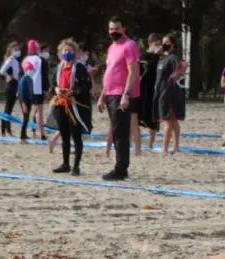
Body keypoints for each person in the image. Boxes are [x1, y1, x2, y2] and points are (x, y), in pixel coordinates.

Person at [98, 16, 140, 181]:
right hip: (110, 94)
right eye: (111, 29)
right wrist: (102, 96)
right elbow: (109, 72)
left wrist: (126, 94)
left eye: (116, 28)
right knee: (116, 131)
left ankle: (121, 168)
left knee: (121, 132)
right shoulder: (112, 47)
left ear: (124, 28)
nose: (113, 32)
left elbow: (133, 72)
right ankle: (120, 165)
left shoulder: (129, 46)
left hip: (121, 94)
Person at [50, 39, 92, 176]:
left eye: (70, 50)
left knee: (76, 136)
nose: (67, 53)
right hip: (61, 104)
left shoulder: (79, 67)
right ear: (60, 53)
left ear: (75, 52)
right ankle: (65, 164)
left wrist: (73, 92)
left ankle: (76, 166)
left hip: (75, 106)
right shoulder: (59, 67)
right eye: (65, 51)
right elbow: (51, 85)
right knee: (64, 135)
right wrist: (56, 89)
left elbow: (87, 86)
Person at [154, 35, 187, 154]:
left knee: (167, 121)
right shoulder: (162, 58)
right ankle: (176, 147)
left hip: (168, 92)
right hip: (161, 90)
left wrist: (177, 75)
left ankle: (164, 148)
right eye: (163, 42)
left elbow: (183, 65)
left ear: (172, 45)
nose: (164, 44)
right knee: (172, 121)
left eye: (166, 42)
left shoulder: (173, 57)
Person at [139, 33, 163, 152]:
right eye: (156, 44)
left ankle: (150, 144)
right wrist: (154, 56)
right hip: (144, 90)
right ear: (150, 43)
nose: (158, 47)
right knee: (139, 116)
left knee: (154, 118)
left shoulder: (161, 57)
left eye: (160, 45)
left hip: (155, 90)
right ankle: (134, 142)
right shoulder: (144, 55)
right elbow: (146, 70)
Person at [22, 40, 46, 140]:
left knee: (26, 110)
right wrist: (46, 89)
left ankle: (23, 132)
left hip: (25, 86)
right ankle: (42, 134)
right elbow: (44, 76)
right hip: (37, 88)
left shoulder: (25, 60)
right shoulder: (40, 60)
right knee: (39, 111)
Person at [0, 42, 22, 136]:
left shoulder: (16, 61)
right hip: (11, 84)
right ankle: (5, 130)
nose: (17, 51)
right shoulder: (10, 59)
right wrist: (9, 74)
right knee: (8, 108)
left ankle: (6, 130)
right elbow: (2, 71)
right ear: (11, 51)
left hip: (15, 84)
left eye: (18, 49)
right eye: (15, 50)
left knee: (9, 109)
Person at [18, 60, 36, 142]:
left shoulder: (30, 79)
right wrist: (24, 104)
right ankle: (22, 136)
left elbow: (31, 91)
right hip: (24, 101)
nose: (32, 71)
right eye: (31, 69)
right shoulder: (24, 80)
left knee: (27, 118)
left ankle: (24, 134)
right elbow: (22, 93)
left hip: (29, 100)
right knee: (25, 118)